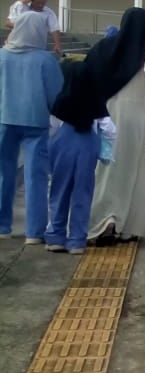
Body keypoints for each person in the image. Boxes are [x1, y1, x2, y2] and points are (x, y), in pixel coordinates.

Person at [87, 8, 145, 243]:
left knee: (107, 168)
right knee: (132, 168)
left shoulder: (106, 46)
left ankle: (104, 220)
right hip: (134, 114)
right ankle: (128, 227)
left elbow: (89, 73)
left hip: (107, 112)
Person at [0, 12, 64, 243]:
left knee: (3, 173)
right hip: (36, 122)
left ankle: (2, 226)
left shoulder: (2, 56)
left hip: (4, 120)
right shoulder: (46, 60)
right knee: (36, 176)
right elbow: (56, 95)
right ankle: (34, 232)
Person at [44, 57, 101, 254]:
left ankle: (56, 236)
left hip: (62, 141)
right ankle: (77, 240)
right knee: (83, 193)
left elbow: (51, 124)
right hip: (88, 142)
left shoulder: (60, 98)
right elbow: (108, 126)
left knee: (59, 189)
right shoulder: (94, 98)